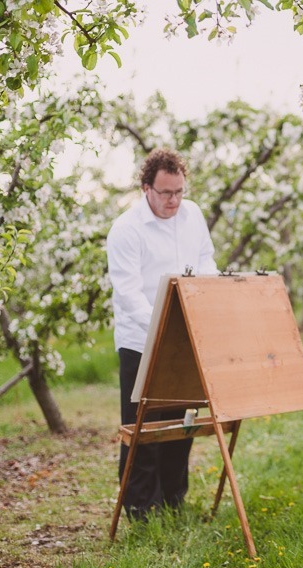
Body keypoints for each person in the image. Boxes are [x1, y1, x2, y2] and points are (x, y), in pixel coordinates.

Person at [106, 148, 219, 520]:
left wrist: (204, 298)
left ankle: (173, 500)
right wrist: (163, 330)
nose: (174, 200)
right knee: (144, 426)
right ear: (146, 189)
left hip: (186, 338)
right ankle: (140, 507)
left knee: (178, 424)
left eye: (179, 192)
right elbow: (128, 293)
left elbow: (205, 259)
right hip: (141, 341)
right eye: (166, 193)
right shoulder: (126, 229)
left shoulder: (193, 215)